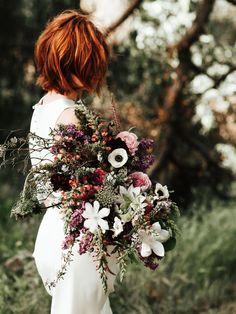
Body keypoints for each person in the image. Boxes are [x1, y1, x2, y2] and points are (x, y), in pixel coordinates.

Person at [30, 10, 118, 314]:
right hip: (77, 242)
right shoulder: (71, 115)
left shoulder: (42, 108)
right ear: (83, 61)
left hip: (53, 232)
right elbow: (94, 185)